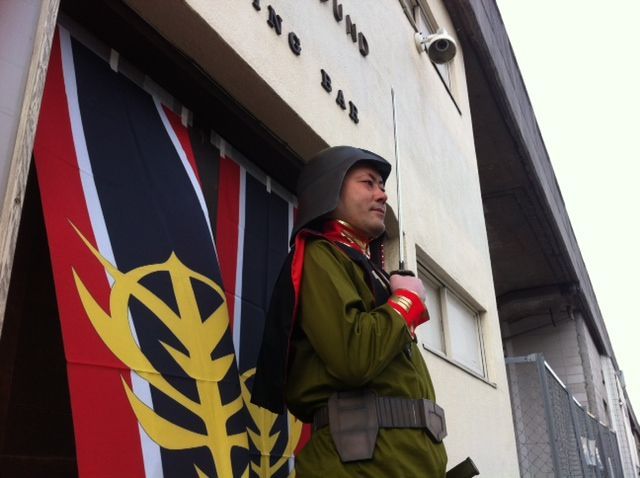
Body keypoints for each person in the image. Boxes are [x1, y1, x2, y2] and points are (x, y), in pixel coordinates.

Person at [252, 146, 448, 476]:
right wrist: (405, 302)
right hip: (362, 466)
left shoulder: (364, 269)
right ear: (330, 189)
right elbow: (354, 357)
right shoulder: (322, 254)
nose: (382, 195)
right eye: (368, 183)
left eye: (382, 186)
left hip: (396, 462)